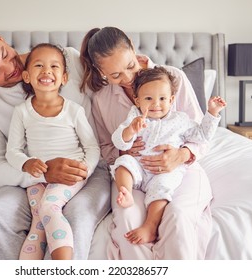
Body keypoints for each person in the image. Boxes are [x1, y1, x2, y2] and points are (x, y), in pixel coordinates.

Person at [0, 26, 111, 260]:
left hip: (87, 170)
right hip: (29, 177)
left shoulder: (65, 60)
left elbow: (121, 93)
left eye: (4, 54)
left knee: (78, 215)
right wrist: (44, 173)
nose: (11, 68)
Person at [80, 26, 214, 259]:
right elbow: (105, 148)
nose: (129, 79)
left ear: (132, 46)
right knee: (129, 225)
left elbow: (201, 135)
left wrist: (180, 155)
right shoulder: (102, 100)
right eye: (115, 75)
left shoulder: (174, 79)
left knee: (178, 217)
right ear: (100, 71)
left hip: (181, 170)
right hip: (134, 174)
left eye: (130, 66)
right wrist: (124, 148)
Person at [110, 67, 226, 245]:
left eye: (162, 99)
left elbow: (201, 136)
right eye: (148, 99)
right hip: (139, 167)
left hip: (164, 171)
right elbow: (119, 141)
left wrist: (212, 113)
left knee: (161, 190)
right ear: (137, 100)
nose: (156, 104)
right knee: (123, 162)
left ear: (172, 100)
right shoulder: (135, 116)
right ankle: (126, 192)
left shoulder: (180, 119)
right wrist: (130, 130)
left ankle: (150, 226)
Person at [5, 43, 100, 260]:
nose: (47, 71)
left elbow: (92, 147)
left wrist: (84, 169)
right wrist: (26, 164)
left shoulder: (74, 110)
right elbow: (13, 151)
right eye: (39, 65)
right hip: (37, 177)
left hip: (70, 174)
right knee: (37, 222)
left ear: (64, 77)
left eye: (54, 66)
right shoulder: (21, 112)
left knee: (48, 207)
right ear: (27, 76)